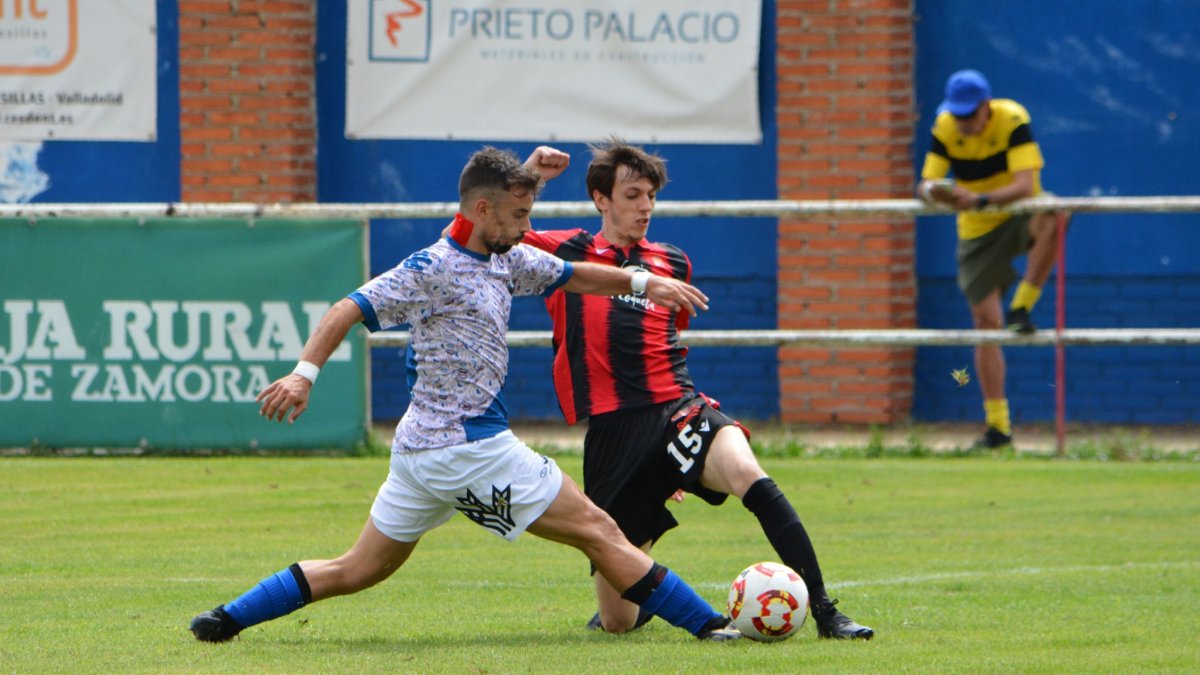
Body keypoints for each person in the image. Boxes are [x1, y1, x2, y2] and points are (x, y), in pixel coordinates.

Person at [188, 147, 744, 644]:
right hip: (471, 448)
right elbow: (346, 308)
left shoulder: (507, 256)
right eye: (520, 216)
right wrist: (303, 375)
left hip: (419, 455)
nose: (528, 227)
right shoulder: (430, 267)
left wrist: (647, 283)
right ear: (482, 211)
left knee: (358, 569)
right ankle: (711, 625)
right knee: (600, 531)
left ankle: (225, 619)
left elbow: (577, 274)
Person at [520, 140, 874, 640]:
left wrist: (678, 456)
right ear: (601, 199)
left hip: (679, 408)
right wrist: (530, 177)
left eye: (651, 196)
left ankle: (826, 612)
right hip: (614, 434)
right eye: (632, 194)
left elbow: (667, 340)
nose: (645, 206)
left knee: (748, 471)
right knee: (618, 622)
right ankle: (632, 602)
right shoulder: (567, 252)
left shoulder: (672, 261)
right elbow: (478, 231)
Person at [916, 69, 1068, 449]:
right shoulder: (945, 126)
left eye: (970, 114)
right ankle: (998, 428)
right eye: (959, 114)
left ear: (987, 106)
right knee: (986, 324)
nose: (964, 123)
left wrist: (980, 199)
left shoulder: (1013, 118)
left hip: (1016, 214)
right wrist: (938, 193)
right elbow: (925, 184)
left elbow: (1026, 185)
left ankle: (1022, 307)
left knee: (1054, 213)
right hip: (976, 232)